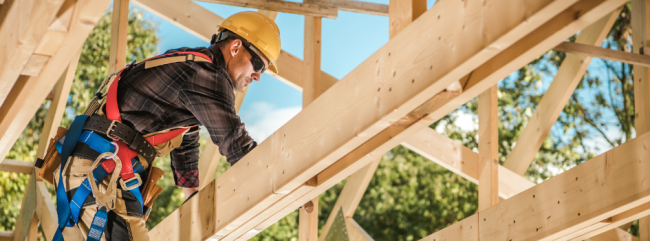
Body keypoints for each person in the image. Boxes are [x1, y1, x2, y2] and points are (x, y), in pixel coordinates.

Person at [52, 11, 281, 241]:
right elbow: (235, 142)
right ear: (236, 47)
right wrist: (280, 179)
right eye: (259, 64)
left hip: (90, 171)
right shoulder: (208, 76)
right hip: (100, 175)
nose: (258, 76)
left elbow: (187, 138)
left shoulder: (189, 64)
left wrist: (192, 198)